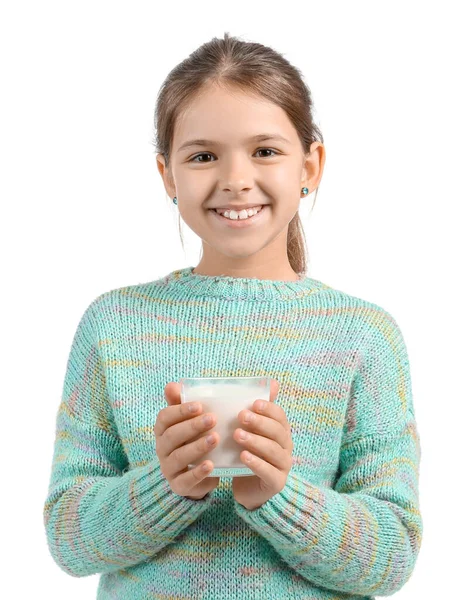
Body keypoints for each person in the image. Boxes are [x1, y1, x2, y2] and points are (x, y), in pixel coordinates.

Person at [43, 32, 423, 599]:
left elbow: (392, 556)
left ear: (310, 165)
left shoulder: (364, 336)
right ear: (168, 175)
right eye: (202, 156)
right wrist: (166, 486)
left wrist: (278, 496)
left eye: (265, 150)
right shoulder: (114, 324)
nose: (235, 178)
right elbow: (67, 539)